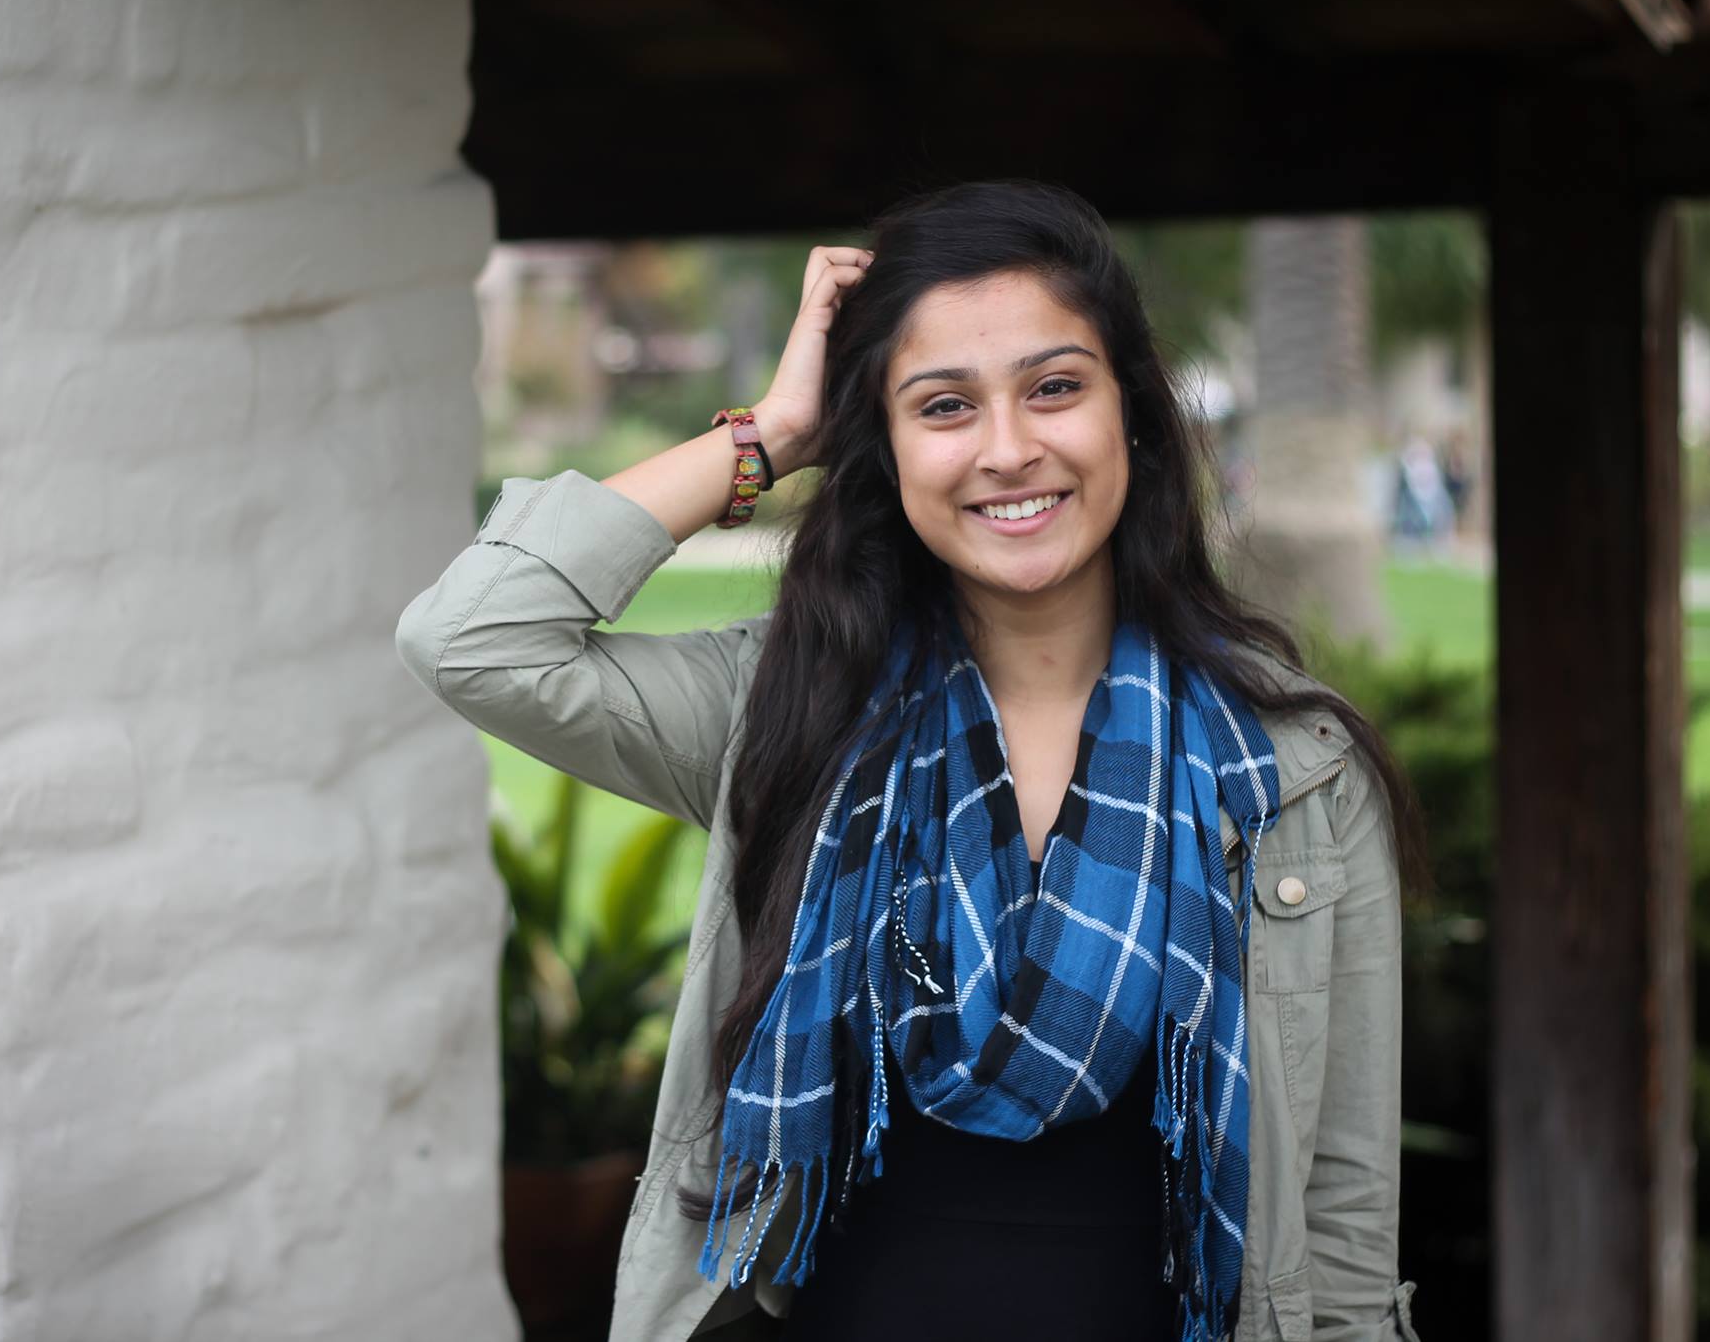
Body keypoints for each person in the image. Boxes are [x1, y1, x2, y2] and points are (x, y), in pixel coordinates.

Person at [397, 180, 1428, 1342]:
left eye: (1053, 388)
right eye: (941, 407)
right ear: (877, 449)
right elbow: (472, 638)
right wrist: (771, 435)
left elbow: (1340, 1221)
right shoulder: (783, 710)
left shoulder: (1292, 768)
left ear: (1129, 416)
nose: (1006, 449)